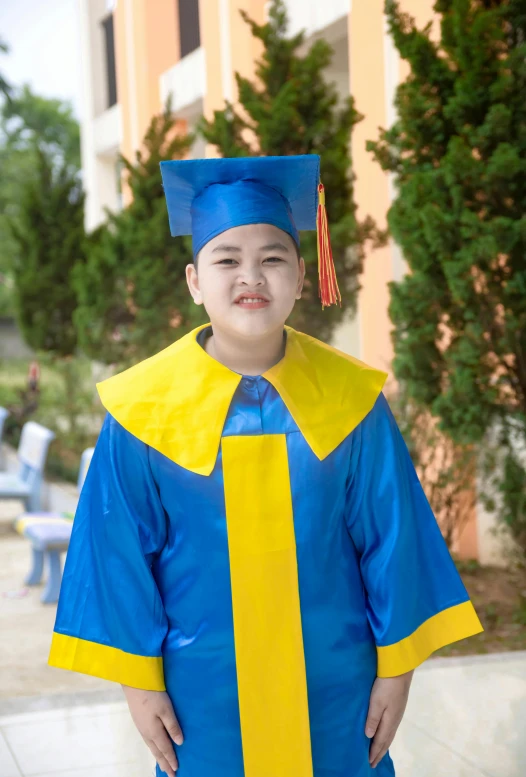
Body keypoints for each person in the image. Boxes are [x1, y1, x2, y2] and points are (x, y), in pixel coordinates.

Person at [48, 154, 483, 777]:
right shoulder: (141, 412)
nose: (250, 275)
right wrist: (139, 685)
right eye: (227, 259)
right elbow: (114, 557)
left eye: (273, 258)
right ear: (195, 281)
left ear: (303, 277)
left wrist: (397, 670)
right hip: (203, 695)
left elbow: (394, 542)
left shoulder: (352, 402)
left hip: (337, 686)